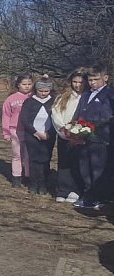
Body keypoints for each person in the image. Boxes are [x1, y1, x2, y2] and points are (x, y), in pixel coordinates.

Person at [73, 65, 114, 209]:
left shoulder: (109, 95)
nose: (92, 83)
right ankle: (88, 195)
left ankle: (98, 197)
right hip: (84, 137)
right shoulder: (85, 94)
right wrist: (75, 128)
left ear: (105, 78)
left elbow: (107, 116)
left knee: (97, 169)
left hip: (100, 137)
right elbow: (80, 113)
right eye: (90, 80)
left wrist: (91, 127)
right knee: (84, 167)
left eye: (96, 79)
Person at [51, 70, 85, 203]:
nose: (77, 85)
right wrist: (64, 130)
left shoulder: (86, 97)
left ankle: (75, 190)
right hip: (64, 135)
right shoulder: (63, 97)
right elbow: (56, 113)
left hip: (80, 136)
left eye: (80, 82)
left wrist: (80, 132)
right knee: (64, 163)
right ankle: (62, 190)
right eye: (75, 82)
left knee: (77, 163)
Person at [19, 76, 56, 195]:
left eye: (46, 91)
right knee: (33, 160)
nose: (43, 94)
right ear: (36, 90)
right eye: (41, 91)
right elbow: (24, 118)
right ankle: (34, 183)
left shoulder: (53, 101)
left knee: (45, 159)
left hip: (48, 135)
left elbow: (57, 119)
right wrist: (34, 132)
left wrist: (49, 133)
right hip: (32, 135)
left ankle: (44, 183)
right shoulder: (29, 101)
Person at [1, 74, 34, 188]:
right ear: (18, 85)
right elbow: (6, 116)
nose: (27, 87)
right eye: (24, 84)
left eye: (29, 84)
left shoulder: (34, 97)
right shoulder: (11, 99)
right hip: (15, 130)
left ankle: (28, 176)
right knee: (17, 155)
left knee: (28, 155)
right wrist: (6, 132)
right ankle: (16, 177)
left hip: (30, 131)